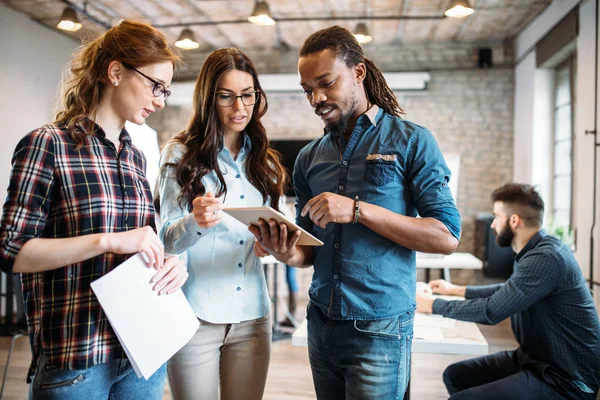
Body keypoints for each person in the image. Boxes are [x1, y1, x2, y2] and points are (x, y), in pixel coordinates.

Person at [251, 25, 461, 399]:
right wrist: (285, 251)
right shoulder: (308, 159)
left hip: (379, 328)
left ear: (358, 72)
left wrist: (358, 210)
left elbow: (445, 236)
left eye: (326, 83)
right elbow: (308, 252)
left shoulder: (412, 140)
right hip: (320, 324)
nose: (316, 97)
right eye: (307, 90)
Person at [0, 20, 187, 399]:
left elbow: (141, 243)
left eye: (165, 90)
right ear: (116, 72)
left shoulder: (134, 156)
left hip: (143, 351)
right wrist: (107, 241)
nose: (161, 100)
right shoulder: (48, 144)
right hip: (79, 360)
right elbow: (11, 250)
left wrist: (169, 264)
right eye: (155, 86)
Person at [157, 47, 287, 400]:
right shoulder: (180, 154)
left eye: (248, 95)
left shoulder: (265, 162)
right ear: (209, 99)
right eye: (227, 97)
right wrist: (195, 221)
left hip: (253, 318)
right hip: (194, 318)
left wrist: (270, 244)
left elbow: (264, 241)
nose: (240, 107)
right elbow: (165, 240)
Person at [416, 183, 600, 399]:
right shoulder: (534, 252)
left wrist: (431, 305)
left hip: (565, 379)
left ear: (514, 220)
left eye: (496, 217)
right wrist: (456, 289)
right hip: (535, 360)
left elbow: (493, 310)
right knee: (456, 376)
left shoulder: (547, 258)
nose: (492, 225)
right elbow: (510, 290)